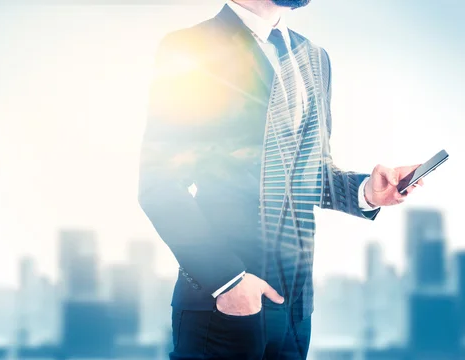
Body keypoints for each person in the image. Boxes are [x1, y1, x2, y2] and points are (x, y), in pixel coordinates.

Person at [138, 1, 422, 359]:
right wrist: (227, 282)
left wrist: (367, 192)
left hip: (294, 310)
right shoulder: (193, 48)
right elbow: (159, 183)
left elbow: (307, 173)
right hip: (222, 307)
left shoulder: (315, 58)